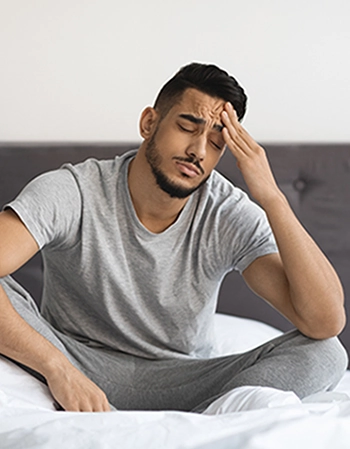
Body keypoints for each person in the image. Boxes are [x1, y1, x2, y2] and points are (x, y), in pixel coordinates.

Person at [0, 63, 348, 413]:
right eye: (187, 127)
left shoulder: (226, 212)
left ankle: (198, 425)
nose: (198, 151)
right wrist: (56, 367)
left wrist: (272, 197)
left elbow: (326, 321)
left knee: (327, 352)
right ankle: (200, 422)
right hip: (75, 360)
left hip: (187, 383)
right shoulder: (75, 190)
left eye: (215, 143)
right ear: (149, 123)